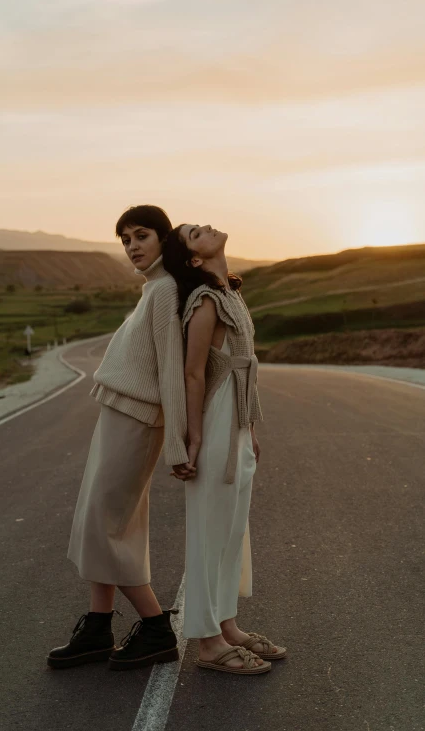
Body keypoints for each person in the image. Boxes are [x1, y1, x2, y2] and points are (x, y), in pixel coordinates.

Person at [48, 205, 189, 671]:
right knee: (100, 522)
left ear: (164, 238)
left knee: (107, 526)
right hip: (117, 418)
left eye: (141, 235)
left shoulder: (166, 290)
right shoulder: (152, 289)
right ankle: (98, 625)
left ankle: (155, 629)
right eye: (124, 239)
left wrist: (177, 444)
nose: (132, 246)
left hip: (137, 423)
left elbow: (173, 368)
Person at [162, 222, 287, 675]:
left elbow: (243, 366)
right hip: (213, 422)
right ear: (194, 260)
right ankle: (209, 644)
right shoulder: (205, 301)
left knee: (233, 529)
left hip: (235, 422)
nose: (206, 226)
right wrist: (193, 437)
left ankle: (228, 626)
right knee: (209, 531)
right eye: (194, 233)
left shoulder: (230, 293)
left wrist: (248, 426)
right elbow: (194, 374)